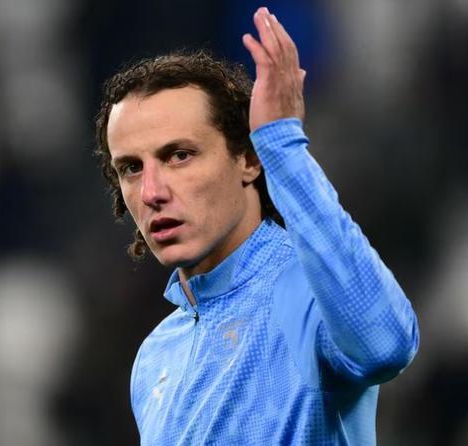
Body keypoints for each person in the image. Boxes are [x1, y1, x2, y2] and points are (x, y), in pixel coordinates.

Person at [94, 7, 419, 445]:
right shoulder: (155, 356)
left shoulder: (304, 291)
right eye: (131, 168)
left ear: (248, 159)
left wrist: (282, 145)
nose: (152, 191)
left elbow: (387, 345)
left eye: (179, 155)